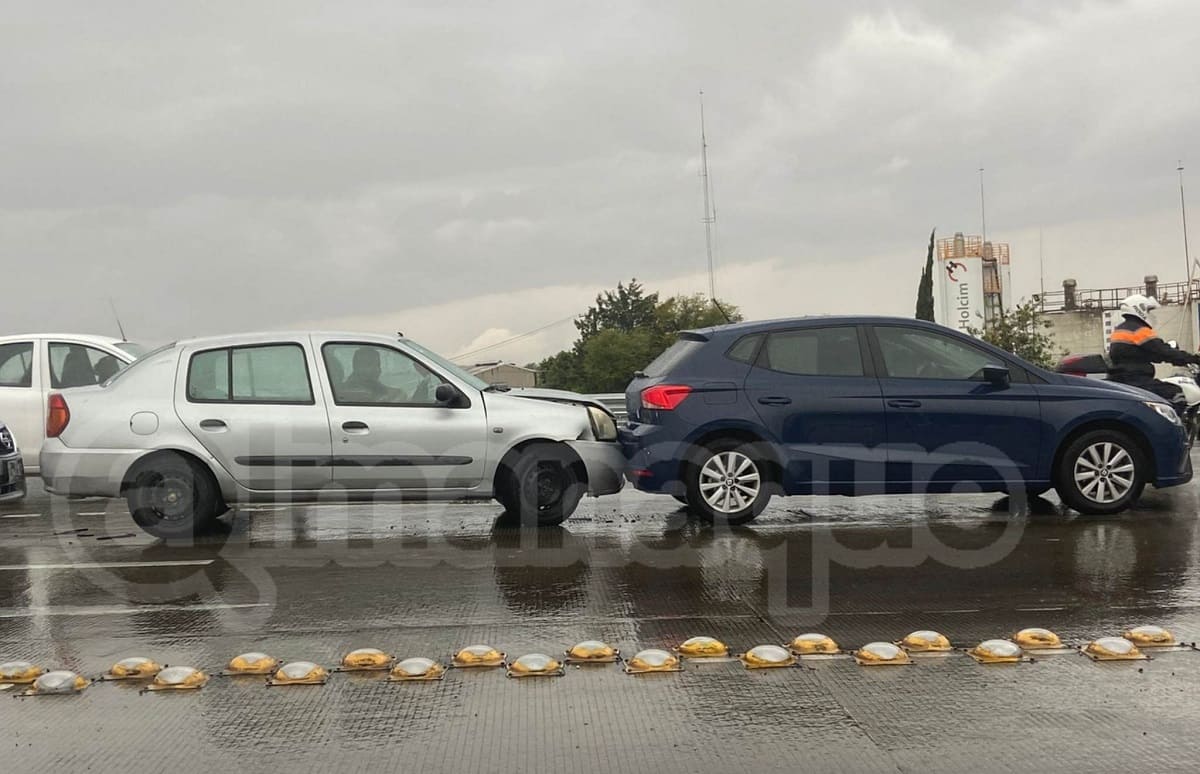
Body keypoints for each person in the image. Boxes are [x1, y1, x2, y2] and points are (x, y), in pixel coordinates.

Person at [1108, 294, 1200, 411]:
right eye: (1149, 310)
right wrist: (1193, 359)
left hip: (1123, 378)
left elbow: (1149, 354)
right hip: (1136, 379)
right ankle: (1174, 422)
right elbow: (1163, 351)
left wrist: (1177, 359)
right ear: (1139, 309)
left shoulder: (1120, 330)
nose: (1150, 314)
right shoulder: (1140, 330)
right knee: (1175, 393)